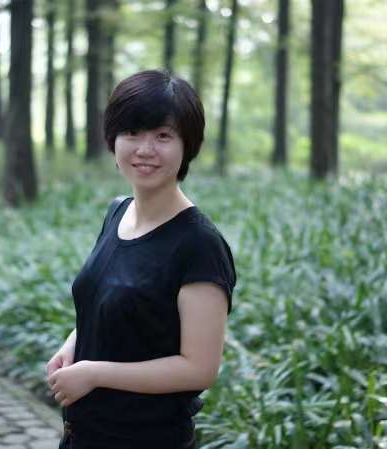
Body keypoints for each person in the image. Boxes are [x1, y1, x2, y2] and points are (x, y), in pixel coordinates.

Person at [46, 70, 237, 449]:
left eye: (163, 136)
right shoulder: (118, 212)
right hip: (84, 435)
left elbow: (199, 368)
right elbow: (109, 303)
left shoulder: (199, 245)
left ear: (187, 146)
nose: (145, 149)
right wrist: (75, 342)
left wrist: (95, 373)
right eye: (132, 132)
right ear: (113, 140)